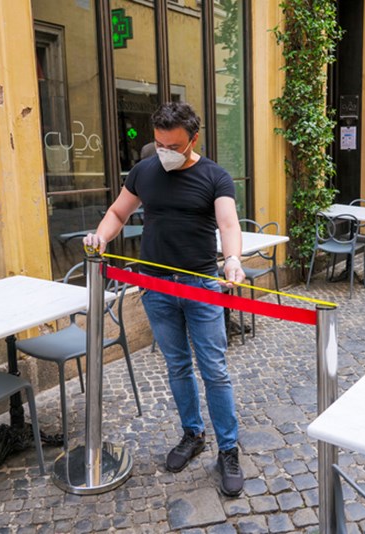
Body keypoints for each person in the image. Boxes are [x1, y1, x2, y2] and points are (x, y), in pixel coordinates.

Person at [83, 102, 246, 497]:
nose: (164, 152)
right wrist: (101, 236)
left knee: (214, 369)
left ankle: (228, 449)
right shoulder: (144, 171)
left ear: (193, 140)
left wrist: (233, 260)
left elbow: (228, 223)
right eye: (159, 144)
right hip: (155, 287)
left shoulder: (215, 177)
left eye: (173, 146)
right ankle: (193, 434)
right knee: (177, 365)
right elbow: (118, 213)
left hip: (200, 284)